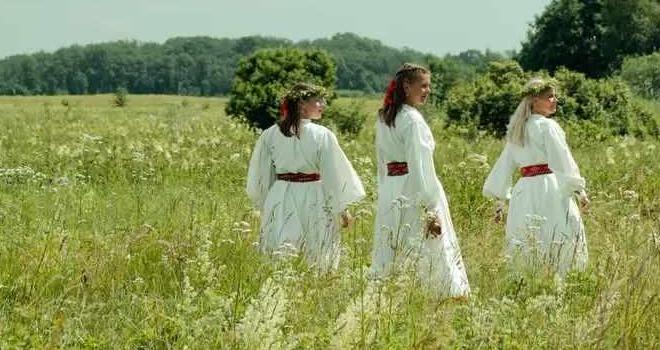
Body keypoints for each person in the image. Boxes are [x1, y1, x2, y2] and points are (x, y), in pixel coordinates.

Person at [370, 63, 470, 299]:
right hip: (413, 188)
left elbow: (381, 161)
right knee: (426, 244)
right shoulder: (412, 119)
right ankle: (437, 294)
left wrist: (384, 194)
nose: (428, 91)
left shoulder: (384, 117)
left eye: (429, 86)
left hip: (392, 190)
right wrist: (431, 209)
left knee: (396, 243)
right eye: (423, 86)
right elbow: (420, 166)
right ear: (406, 87)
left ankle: (393, 294)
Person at [245, 82, 364, 269]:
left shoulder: (270, 133)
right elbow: (333, 175)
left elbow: (262, 175)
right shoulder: (322, 134)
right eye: (317, 100)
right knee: (317, 246)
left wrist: (267, 202)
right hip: (314, 194)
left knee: (283, 246)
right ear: (302, 104)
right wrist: (341, 208)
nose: (323, 103)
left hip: (281, 195)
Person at [482, 76, 589, 276]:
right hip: (550, 188)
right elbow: (562, 161)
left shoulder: (517, 128)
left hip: (524, 190)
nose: (555, 100)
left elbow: (504, 165)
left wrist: (500, 200)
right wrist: (579, 191)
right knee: (558, 232)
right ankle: (562, 278)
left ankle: (529, 279)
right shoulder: (548, 126)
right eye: (550, 97)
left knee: (529, 235)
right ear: (535, 101)